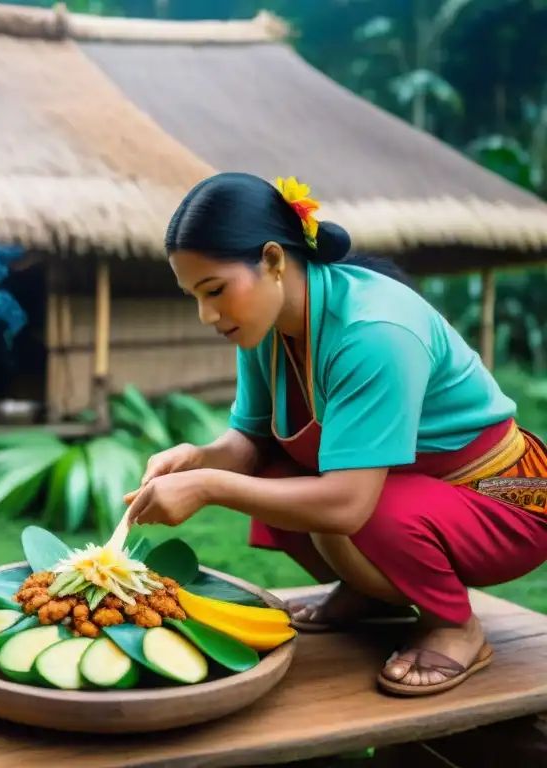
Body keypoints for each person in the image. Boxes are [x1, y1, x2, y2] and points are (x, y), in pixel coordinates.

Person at [122, 171, 547, 697]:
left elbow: (347, 504)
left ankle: (456, 626)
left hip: (508, 499)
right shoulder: (266, 329)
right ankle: (370, 594)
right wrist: (198, 459)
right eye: (193, 296)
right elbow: (252, 445)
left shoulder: (375, 333)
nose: (207, 315)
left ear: (274, 261)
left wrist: (210, 488)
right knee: (278, 477)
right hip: (411, 490)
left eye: (215, 291)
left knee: (346, 513)